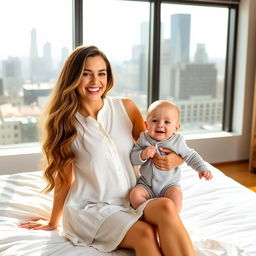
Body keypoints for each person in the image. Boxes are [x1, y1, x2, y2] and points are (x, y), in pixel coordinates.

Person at [18, 45, 195, 256]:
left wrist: (178, 160)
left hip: (134, 197)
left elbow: (159, 144)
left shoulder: (126, 108)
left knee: (166, 207)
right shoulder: (65, 124)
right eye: (86, 74)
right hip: (92, 208)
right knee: (145, 233)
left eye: (101, 73)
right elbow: (64, 180)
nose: (95, 82)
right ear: (73, 77)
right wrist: (52, 221)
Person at [129, 100, 213, 212]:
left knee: (177, 194)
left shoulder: (177, 141)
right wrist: (142, 155)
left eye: (167, 122)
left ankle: (172, 216)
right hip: (146, 185)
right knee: (135, 194)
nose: (160, 125)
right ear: (146, 125)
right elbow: (133, 158)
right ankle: (148, 212)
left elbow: (191, 155)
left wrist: (202, 169)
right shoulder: (143, 138)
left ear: (176, 128)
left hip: (168, 186)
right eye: (154, 120)